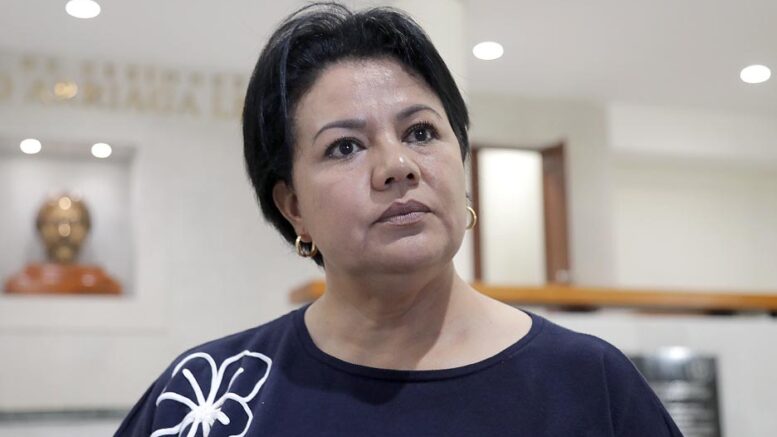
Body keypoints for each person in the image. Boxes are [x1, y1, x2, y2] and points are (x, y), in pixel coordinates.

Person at [116, 3, 683, 436]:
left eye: (421, 132)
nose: (397, 166)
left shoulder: (589, 383)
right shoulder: (205, 398)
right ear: (293, 208)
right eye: (344, 146)